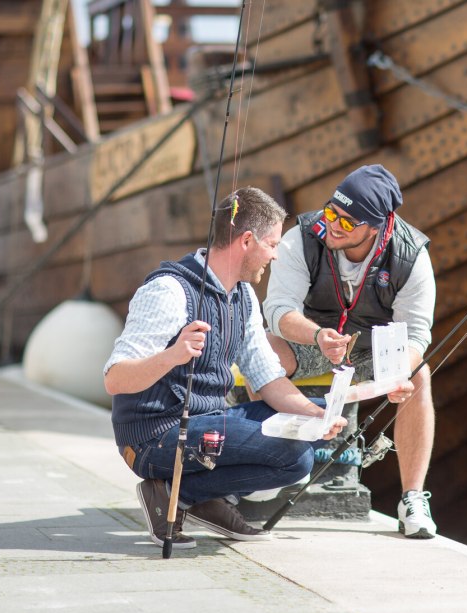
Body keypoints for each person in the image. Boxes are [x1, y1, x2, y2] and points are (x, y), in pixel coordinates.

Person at [103, 187, 346, 550]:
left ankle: (193, 497)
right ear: (246, 241)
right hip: (153, 438)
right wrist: (173, 355)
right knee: (294, 457)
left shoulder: (244, 296)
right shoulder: (169, 291)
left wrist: (316, 416)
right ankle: (177, 493)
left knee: (311, 424)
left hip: (207, 425)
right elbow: (115, 379)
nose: (275, 255)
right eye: (272, 244)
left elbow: (268, 378)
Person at [263, 164, 439, 539]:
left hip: (372, 351)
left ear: (376, 226)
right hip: (312, 342)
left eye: (347, 221)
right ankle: (262, 470)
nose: (334, 225)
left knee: (420, 373)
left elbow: (416, 335)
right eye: (331, 212)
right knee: (264, 352)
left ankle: (412, 500)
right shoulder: (302, 237)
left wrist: (400, 374)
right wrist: (317, 336)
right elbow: (277, 311)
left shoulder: (411, 256)